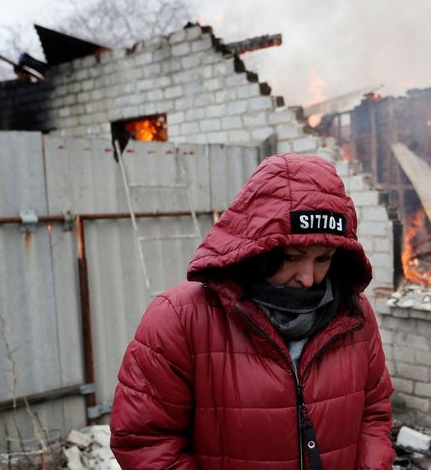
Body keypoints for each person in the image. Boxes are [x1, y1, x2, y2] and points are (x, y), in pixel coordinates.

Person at [110, 153, 395, 469]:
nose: (308, 278)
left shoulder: (354, 317)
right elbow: (145, 442)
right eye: (290, 257)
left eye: (323, 258)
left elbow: (374, 412)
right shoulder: (179, 319)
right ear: (257, 248)